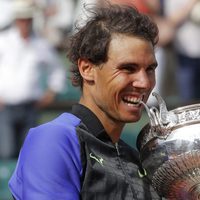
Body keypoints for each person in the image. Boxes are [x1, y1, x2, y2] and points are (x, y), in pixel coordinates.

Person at [9, 3, 161, 199]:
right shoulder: (54, 140)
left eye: (150, 69)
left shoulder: (133, 156)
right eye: (128, 68)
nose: (144, 82)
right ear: (87, 69)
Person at [0, 0, 66, 159]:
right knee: (6, 152)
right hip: (6, 107)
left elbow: (57, 70)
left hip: (31, 108)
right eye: (22, 19)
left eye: (27, 19)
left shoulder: (41, 44)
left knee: (28, 153)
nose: (25, 23)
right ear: (16, 20)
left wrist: (51, 93)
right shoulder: (3, 41)